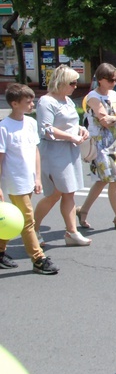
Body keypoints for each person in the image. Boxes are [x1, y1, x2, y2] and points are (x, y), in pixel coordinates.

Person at [0, 84, 59, 274]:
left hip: (28, 178)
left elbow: (35, 151)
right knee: (27, 220)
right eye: (28, 102)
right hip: (14, 180)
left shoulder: (31, 123)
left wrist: (37, 178)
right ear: (15, 103)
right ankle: (38, 259)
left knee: (13, 219)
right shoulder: (3, 127)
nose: (32, 105)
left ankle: (0, 251)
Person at [33, 66, 89, 248]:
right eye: (72, 83)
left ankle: (71, 232)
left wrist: (81, 129)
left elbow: (73, 123)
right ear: (61, 83)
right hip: (54, 151)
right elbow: (46, 129)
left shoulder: (68, 101)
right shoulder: (46, 101)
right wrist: (70, 136)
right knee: (54, 194)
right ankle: (33, 228)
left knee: (69, 192)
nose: (75, 86)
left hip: (69, 150)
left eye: (76, 82)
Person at [76, 63, 116, 232]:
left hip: (112, 142)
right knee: (113, 180)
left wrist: (113, 118)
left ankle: (83, 210)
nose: (114, 83)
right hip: (98, 143)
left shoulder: (113, 94)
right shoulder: (93, 97)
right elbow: (103, 121)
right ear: (100, 80)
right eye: (110, 80)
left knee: (103, 180)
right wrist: (115, 119)